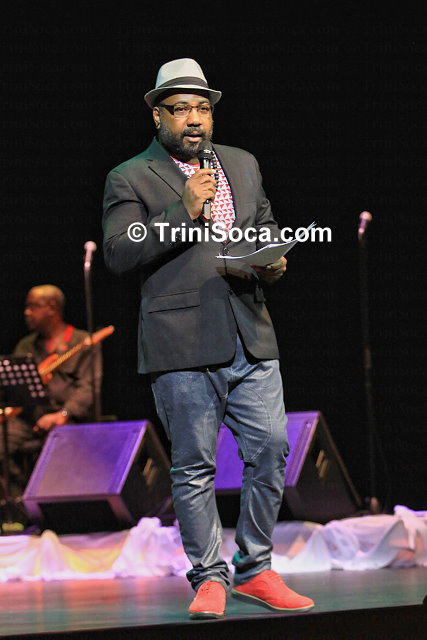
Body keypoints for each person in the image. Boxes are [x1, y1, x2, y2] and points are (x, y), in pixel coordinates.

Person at [102, 58, 314, 619]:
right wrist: (183, 210)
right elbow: (119, 252)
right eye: (181, 109)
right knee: (194, 465)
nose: (194, 119)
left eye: (203, 108)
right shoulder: (130, 175)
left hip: (251, 332)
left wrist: (273, 259)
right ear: (158, 115)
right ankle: (208, 577)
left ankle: (256, 568)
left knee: (272, 448)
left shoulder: (242, 163)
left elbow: (264, 224)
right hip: (181, 342)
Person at [0, 284, 103, 496]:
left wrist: (63, 413)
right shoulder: (26, 346)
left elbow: (88, 388)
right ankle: (20, 501)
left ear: (52, 308)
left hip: (68, 418)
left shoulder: (81, 341)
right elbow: (15, 391)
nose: (27, 312)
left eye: (33, 306)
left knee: (60, 447)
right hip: (30, 418)